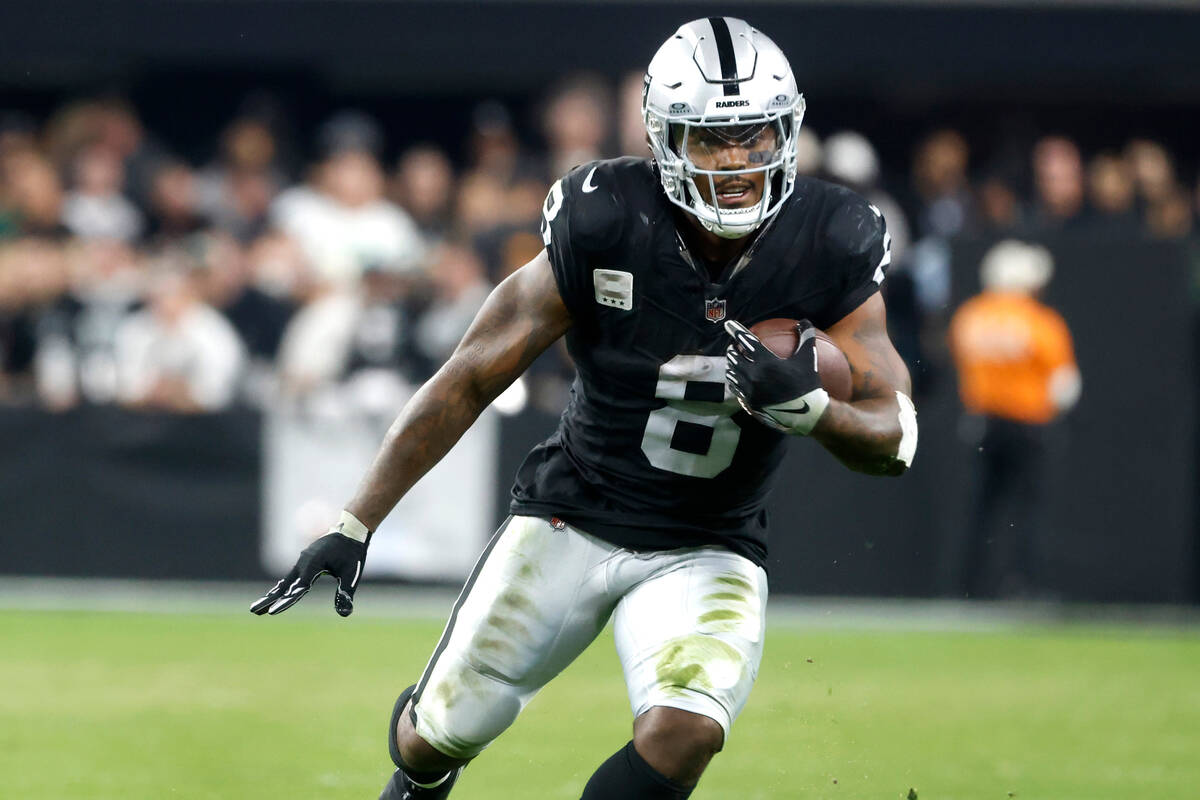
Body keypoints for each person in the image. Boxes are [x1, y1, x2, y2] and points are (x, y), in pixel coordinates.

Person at [252, 17, 917, 800]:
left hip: (709, 540)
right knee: (430, 739)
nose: (737, 163)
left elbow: (895, 435)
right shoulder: (605, 218)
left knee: (686, 729)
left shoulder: (828, 235)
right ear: (666, 139)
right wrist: (354, 522)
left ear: (789, 131)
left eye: (754, 136)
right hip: (572, 517)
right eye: (712, 141)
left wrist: (813, 414)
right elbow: (470, 374)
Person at [949, 240, 1080, 599]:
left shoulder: (970, 316)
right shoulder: (1040, 321)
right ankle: (1024, 585)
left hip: (983, 424)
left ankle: (970, 586)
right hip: (1029, 424)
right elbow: (1065, 386)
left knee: (982, 507)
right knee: (1028, 509)